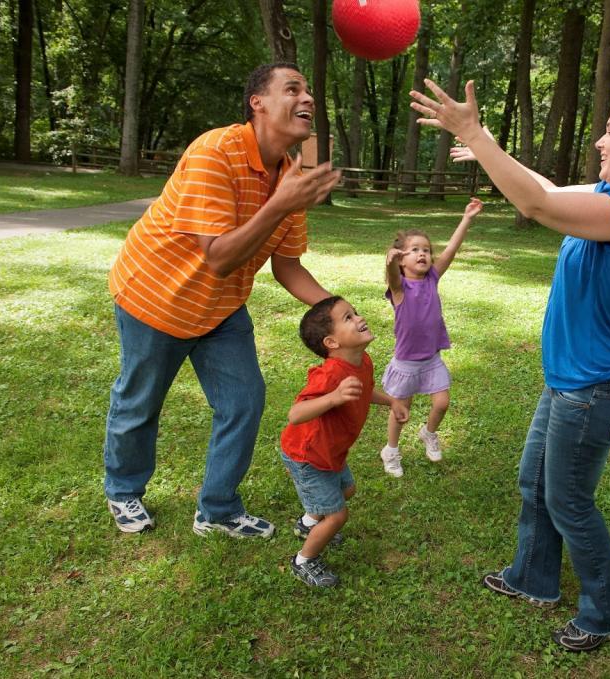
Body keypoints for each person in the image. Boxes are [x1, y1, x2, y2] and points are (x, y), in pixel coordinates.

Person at [411, 79, 610, 651]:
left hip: (594, 390)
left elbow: (535, 205)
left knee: (568, 499)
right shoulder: (605, 197)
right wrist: (488, 142)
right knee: (535, 482)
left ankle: (607, 611)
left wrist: (473, 132)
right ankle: (534, 578)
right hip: (571, 383)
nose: (599, 140)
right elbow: (543, 187)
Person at [103, 62, 341, 538]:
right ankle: (123, 490)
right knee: (140, 401)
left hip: (221, 309)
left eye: (309, 91)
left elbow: (287, 265)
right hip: (155, 298)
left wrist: (337, 310)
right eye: (292, 88)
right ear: (257, 102)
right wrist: (281, 203)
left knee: (244, 401)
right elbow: (219, 257)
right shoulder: (216, 151)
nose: (308, 98)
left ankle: (217, 508)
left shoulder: (290, 173)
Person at [280, 296, 410, 587]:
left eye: (356, 313)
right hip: (308, 455)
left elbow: (364, 391)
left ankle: (308, 523)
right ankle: (304, 561)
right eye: (348, 318)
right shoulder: (330, 375)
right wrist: (334, 397)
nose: (359, 318)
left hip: (331, 452)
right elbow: (296, 413)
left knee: (347, 490)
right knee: (337, 515)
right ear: (332, 342)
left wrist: (391, 401)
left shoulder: (363, 361)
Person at [378, 197, 483, 477]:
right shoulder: (400, 289)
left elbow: (450, 250)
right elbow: (391, 276)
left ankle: (429, 433)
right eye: (414, 250)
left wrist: (467, 218)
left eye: (426, 250)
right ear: (402, 259)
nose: (422, 254)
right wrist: (390, 263)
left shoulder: (433, 278)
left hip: (432, 358)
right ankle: (391, 450)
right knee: (402, 410)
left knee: (442, 403)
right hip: (407, 362)